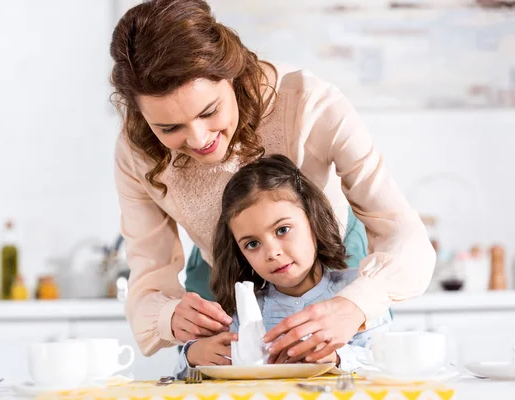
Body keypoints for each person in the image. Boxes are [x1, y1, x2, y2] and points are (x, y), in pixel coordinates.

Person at [111, 0, 435, 361]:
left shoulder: (311, 102)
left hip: (333, 259)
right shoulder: (135, 151)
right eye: (169, 128)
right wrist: (170, 317)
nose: (199, 139)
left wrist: (354, 304)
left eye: (210, 111)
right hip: (222, 268)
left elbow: (405, 235)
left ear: (231, 75)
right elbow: (148, 273)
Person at [174, 155, 391, 377]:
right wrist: (192, 355)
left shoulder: (359, 292)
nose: (272, 253)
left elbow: (385, 362)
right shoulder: (243, 310)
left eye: (282, 230)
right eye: (253, 244)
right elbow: (185, 379)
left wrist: (337, 357)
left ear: (313, 221)